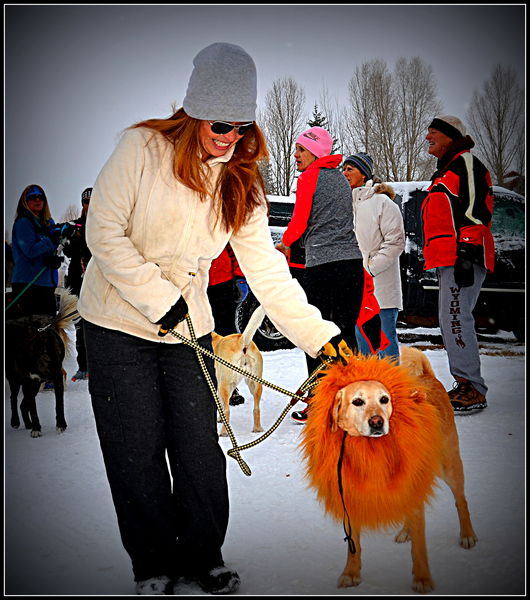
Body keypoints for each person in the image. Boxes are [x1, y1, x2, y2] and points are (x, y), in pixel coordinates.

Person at [77, 42, 351, 596]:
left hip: (189, 329)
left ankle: (203, 556)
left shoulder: (241, 179)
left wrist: (322, 338)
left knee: (200, 450)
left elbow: (269, 272)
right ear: (193, 112)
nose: (228, 137)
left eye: (240, 126)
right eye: (218, 124)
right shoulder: (141, 149)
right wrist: (160, 300)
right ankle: (153, 564)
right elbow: (102, 233)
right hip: (117, 325)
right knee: (137, 451)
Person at [275, 126, 364, 423]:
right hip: (351, 263)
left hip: (323, 266)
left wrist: (284, 243)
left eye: (300, 150)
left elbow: (300, 222)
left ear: (315, 152)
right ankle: (352, 399)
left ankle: (319, 402)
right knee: (345, 335)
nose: (296, 155)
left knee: (317, 334)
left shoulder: (310, 177)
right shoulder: (340, 178)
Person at [422, 115, 494, 412]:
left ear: (450, 136)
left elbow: (477, 208)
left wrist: (466, 251)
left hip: (462, 255)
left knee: (455, 318)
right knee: (451, 319)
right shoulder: (446, 170)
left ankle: (472, 387)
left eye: (433, 132)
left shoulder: (465, 163)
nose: (427, 137)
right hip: (448, 257)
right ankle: (465, 382)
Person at [343, 152, 405, 361]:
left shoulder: (383, 203)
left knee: (385, 345)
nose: (345, 173)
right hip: (355, 289)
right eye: (344, 169)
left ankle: (393, 391)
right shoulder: (345, 204)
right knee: (362, 350)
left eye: (350, 169)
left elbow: (396, 242)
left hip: (381, 290)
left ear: (363, 174)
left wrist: (369, 268)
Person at [9, 184, 62, 318]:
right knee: (31, 332)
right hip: (28, 285)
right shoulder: (23, 223)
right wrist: (50, 239)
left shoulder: (47, 224)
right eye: (33, 197)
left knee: (47, 330)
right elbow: (30, 251)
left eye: (41, 197)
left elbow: (49, 249)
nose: (38, 200)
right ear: (25, 202)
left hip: (46, 284)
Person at [207, 243, 248, 405]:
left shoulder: (219, 217)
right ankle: (202, 384)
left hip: (221, 281)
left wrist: (239, 276)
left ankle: (230, 385)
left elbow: (235, 245)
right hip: (192, 283)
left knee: (226, 338)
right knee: (198, 337)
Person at [63, 187, 93, 381]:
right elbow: (67, 251)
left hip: (96, 281)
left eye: (93, 201)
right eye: (86, 202)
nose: (90, 205)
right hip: (77, 280)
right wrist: (72, 239)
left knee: (97, 325)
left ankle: (98, 365)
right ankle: (83, 366)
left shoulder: (105, 223)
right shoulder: (76, 226)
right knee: (80, 325)